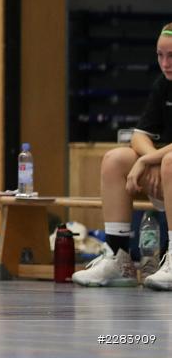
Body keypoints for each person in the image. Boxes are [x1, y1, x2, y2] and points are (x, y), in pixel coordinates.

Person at [72, 23, 172, 290]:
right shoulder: (164, 84)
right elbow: (139, 134)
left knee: (170, 162)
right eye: (160, 55)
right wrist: (149, 158)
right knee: (115, 159)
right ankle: (119, 258)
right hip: (164, 170)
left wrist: (148, 161)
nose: (165, 63)